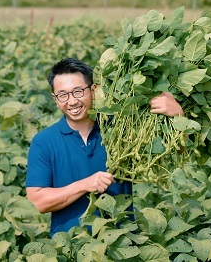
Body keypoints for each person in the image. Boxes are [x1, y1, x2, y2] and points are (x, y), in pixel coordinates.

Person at [25, 57, 184, 237]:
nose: (72, 102)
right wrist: (85, 185)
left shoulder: (121, 131)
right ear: (55, 99)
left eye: (78, 91)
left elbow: (174, 153)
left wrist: (178, 116)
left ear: (93, 90)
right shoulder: (44, 141)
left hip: (122, 244)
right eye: (63, 95)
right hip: (69, 247)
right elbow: (36, 202)